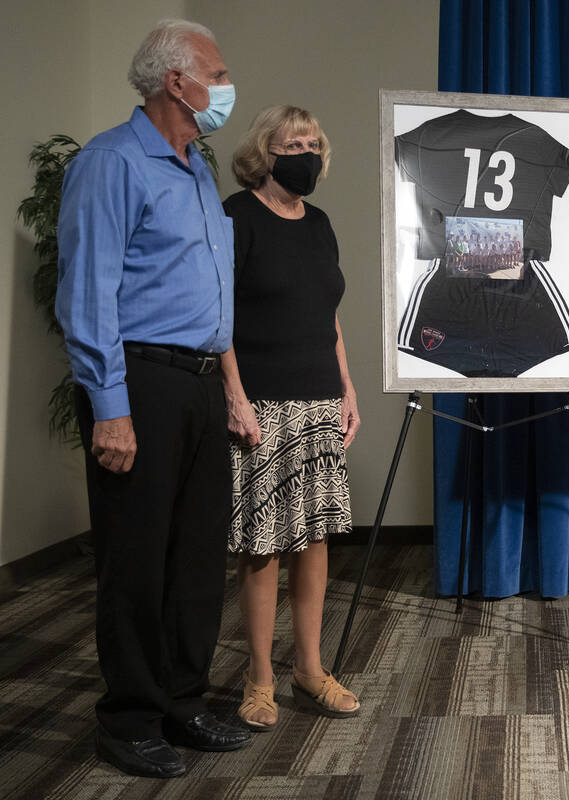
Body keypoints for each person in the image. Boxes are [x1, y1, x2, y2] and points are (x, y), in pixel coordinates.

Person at [55, 19, 250, 778]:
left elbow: (215, 294)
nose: (226, 87)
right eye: (219, 72)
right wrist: (110, 406)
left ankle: (183, 700)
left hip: (200, 383)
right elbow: (87, 294)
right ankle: (129, 716)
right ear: (178, 81)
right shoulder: (111, 162)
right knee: (137, 560)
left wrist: (232, 389)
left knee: (198, 558)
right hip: (138, 380)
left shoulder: (196, 167)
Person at [220, 105, 361, 730]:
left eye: (312, 141)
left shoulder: (321, 223)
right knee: (263, 548)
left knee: (314, 542)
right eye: (292, 141)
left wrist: (348, 390)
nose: (305, 150)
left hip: (319, 398)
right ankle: (259, 679)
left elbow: (326, 314)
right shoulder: (237, 216)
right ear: (265, 151)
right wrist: (233, 395)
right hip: (261, 404)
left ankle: (310, 669)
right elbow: (215, 316)